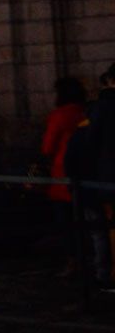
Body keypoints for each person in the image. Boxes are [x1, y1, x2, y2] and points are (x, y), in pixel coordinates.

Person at [67, 66, 115, 286]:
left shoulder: (102, 108)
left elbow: (88, 146)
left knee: (104, 229)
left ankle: (107, 274)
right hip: (103, 178)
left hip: (104, 179)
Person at [42, 77, 87, 276]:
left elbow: (48, 147)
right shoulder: (84, 112)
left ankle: (73, 261)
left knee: (66, 222)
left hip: (62, 175)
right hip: (85, 171)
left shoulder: (59, 115)